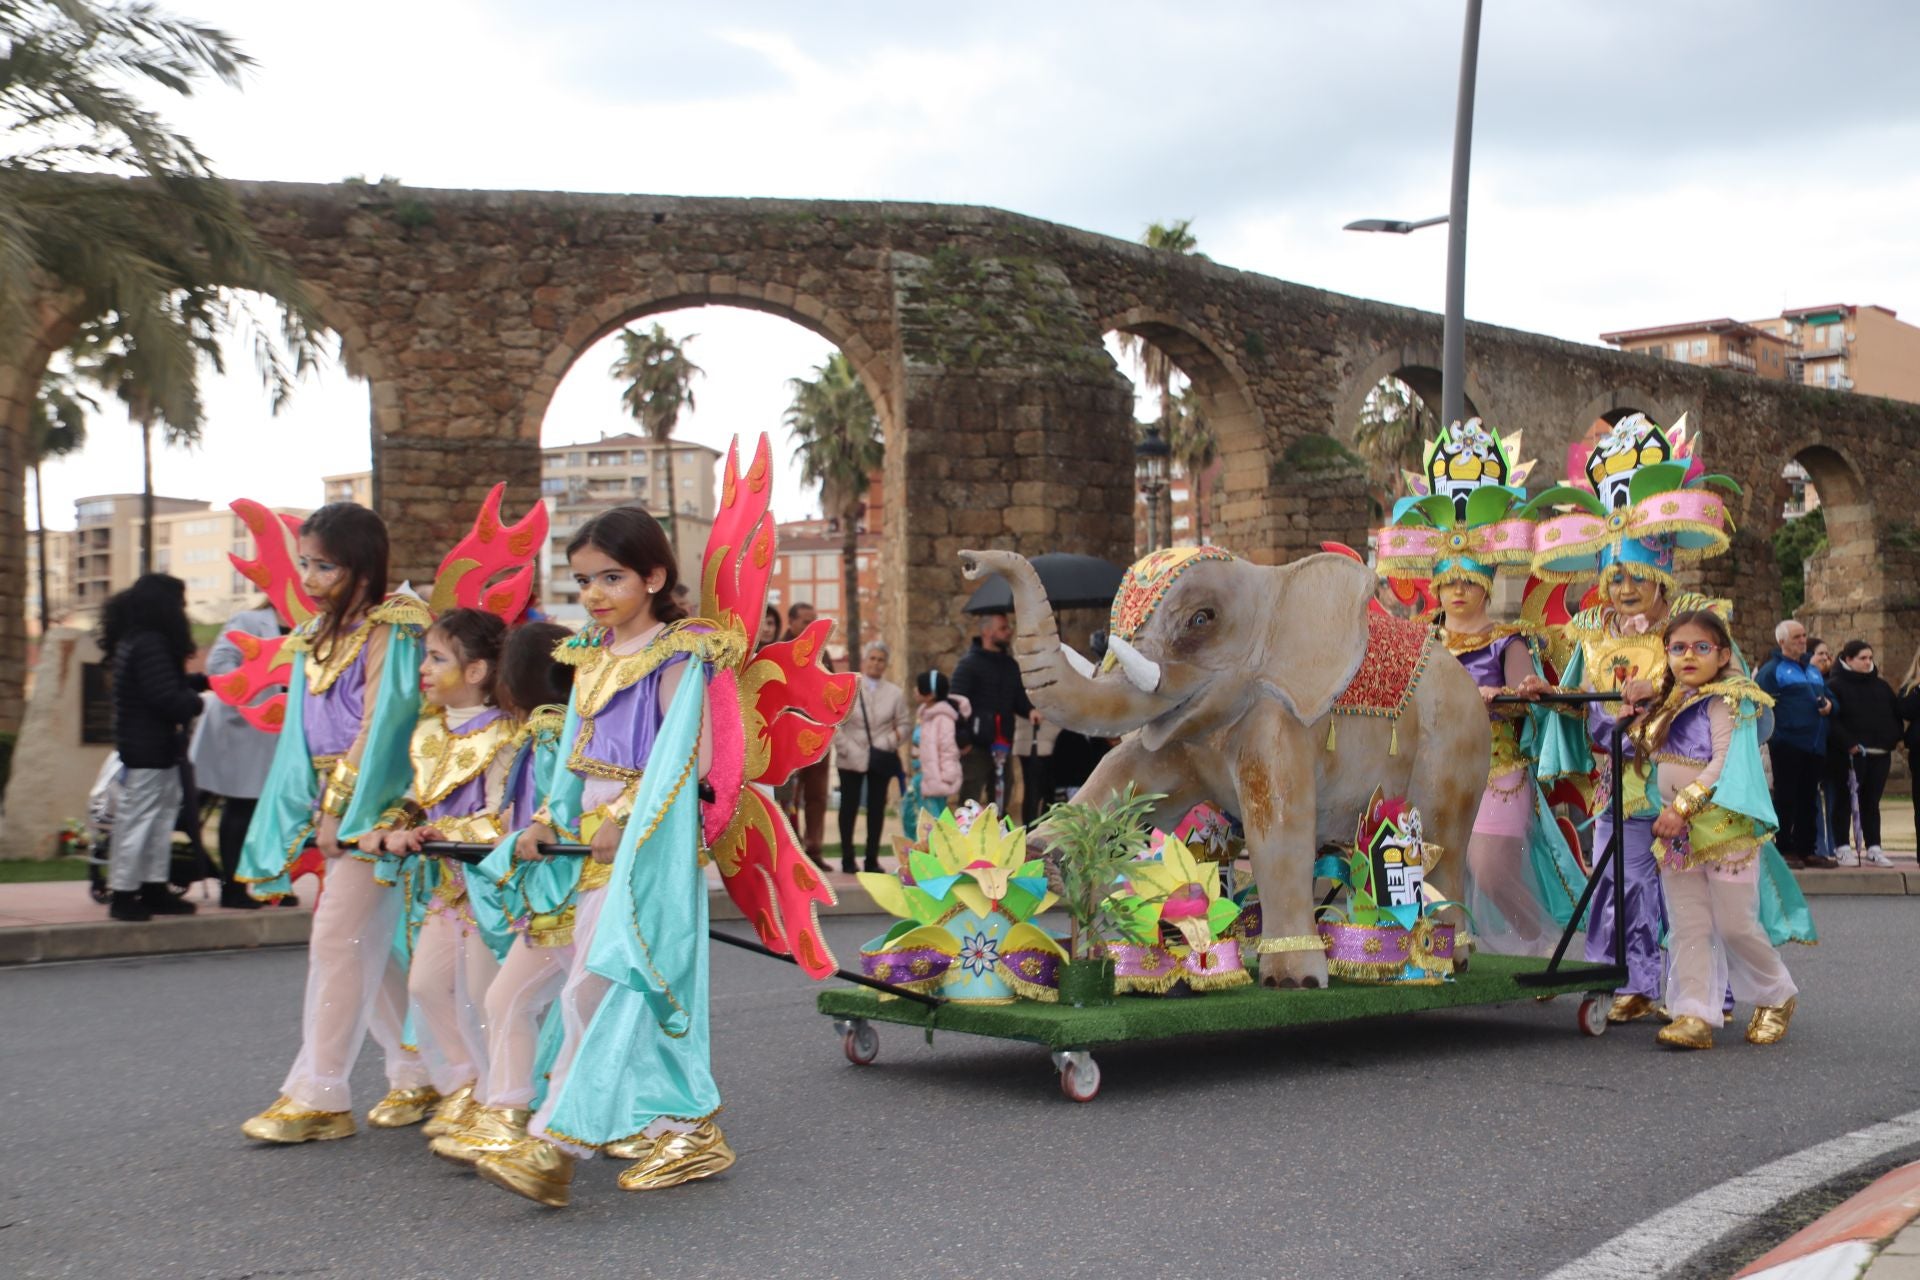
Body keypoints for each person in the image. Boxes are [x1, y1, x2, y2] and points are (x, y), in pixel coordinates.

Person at [476, 506, 741, 1208]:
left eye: (611, 577)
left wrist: (626, 818)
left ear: (654, 576)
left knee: (595, 986)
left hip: (650, 846)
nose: (594, 594)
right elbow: (570, 758)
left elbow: (690, 753)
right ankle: (680, 1129)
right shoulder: (591, 656)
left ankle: (555, 1145)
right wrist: (541, 819)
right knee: (625, 990)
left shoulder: (678, 651)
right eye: (583, 580)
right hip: (592, 848)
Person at [1532, 412, 1815, 1021]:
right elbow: (1576, 700)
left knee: (1713, 904)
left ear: (1662, 571)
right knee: (1622, 885)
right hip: (1621, 787)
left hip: (1696, 792)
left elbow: (1740, 704)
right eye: (1615, 577)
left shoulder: (1697, 626)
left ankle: (1729, 994)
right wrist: (1544, 691)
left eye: (1637, 575)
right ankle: (1631, 982)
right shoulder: (1592, 633)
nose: (1625, 588)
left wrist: (1663, 685)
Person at [238, 502, 434, 1144]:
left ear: (362, 565)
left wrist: (338, 811)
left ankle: (319, 1095)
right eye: (305, 564)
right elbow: (299, 735)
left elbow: (385, 726)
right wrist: (295, 812)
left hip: (381, 804)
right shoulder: (317, 632)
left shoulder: (395, 628)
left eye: (325, 565)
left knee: (337, 940)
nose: (311, 577)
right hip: (336, 798)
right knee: (373, 949)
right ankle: (424, 1070)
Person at [1374, 420, 1583, 955]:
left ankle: (1538, 943)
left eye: (1468, 582)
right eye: (1448, 584)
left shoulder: (1507, 641)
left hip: (1498, 770)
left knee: (1489, 868)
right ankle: (1450, 950)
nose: (1458, 592)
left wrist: (1498, 697)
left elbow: (1523, 699)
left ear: (1486, 585)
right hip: (1434, 769)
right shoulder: (1421, 640)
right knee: (1438, 873)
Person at [361, 607, 518, 1147]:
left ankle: (503, 1096)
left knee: (482, 993)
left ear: (476, 671)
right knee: (425, 986)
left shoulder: (506, 735)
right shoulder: (428, 729)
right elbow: (416, 799)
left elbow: (501, 816)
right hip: (445, 887)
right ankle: (466, 1081)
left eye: (436, 658)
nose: (423, 669)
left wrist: (437, 832)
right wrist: (395, 823)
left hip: (487, 889)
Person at [433, 619, 577, 1166]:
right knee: (511, 999)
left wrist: (519, 838)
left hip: (563, 899)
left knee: (515, 1000)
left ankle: (522, 1120)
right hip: (554, 898)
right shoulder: (551, 731)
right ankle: (513, 1113)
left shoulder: (550, 733)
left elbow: (551, 812)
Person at [1631, 610, 1798, 1050]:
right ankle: (1694, 1014)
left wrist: (1683, 807)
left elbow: (1725, 762)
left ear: (1723, 654)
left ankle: (1777, 995)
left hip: (1723, 828)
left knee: (1734, 923)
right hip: (1676, 830)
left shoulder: (1729, 698)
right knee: (1688, 925)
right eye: (1678, 648)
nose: (1688, 656)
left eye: (1701, 647)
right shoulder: (1674, 700)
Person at [100, 573, 209, 923]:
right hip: (149, 746)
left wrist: (194, 683)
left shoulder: (139, 640)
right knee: (141, 820)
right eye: (179, 601)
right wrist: (195, 700)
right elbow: (165, 698)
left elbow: (159, 685)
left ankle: (151, 887)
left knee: (157, 819)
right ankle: (125, 892)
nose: (184, 609)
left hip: (151, 745)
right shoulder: (151, 643)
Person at [190, 599, 286, 910]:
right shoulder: (248, 619)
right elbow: (219, 663)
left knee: (281, 811)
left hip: (289, 731)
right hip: (246, 726)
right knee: (242, 806)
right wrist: (255, 688)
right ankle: (233, 886)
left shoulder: (315, 625)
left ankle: (273, 885)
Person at [1756, 619, 1834, 869]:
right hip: (1788, 744)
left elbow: (1831, 698)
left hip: (1814, 745)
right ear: (1782, 642)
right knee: (1786, 797)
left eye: (1803, 635)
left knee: (1808, 798)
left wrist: (1831, 706)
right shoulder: (1772, 670)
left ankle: (1807, 849)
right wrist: (1777, 736)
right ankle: (1785, 848)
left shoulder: (1812, 669)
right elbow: (1760, 706)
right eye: (1797, 636)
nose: (1803, 640)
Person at [834, 641, 911, 873]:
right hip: (850, 756)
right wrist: (846, 748)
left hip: (880, 757)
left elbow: (905, 724)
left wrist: (886, 743)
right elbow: (834, 722)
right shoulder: (848, 689)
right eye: (872, 658)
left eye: (881, 660)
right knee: (848, 807)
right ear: (864, 661)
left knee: (876, 809)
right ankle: (847, 858)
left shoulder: (895, 693)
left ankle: (871, 859)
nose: (876, 663)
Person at [1824, 639, 1900, 867]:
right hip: (1849, 755)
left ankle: (1874, 847)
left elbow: (1894, 716)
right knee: (1844, 801)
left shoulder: (1882, 686)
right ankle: (1842, 847)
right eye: (1862, 658)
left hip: (1879, 754)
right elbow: (1833, 721)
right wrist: (1849, 743)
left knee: (1871, 802)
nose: (1868, 663)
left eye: (1870, 658)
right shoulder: (1835, 685)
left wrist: (1891, 740)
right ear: (1848, 660)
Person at [951, 610, 1035, 810]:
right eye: (1003, 628)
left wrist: (1031, 711)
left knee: (1001, 796)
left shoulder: (1010, 665)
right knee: (969, 799)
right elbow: (955, 704)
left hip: (1003, 744)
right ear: (987, 632)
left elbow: (1018, 699)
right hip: (976, 746)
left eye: (1008, 627)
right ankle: (964, 839)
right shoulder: (968, 665)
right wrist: (964, 741)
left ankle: (997, 839)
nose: (1009, 631)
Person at [777, 601, 832, 868]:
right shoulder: (781, 651)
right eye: (805, 621)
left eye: (815, 620)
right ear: (791, 623)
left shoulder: (823, 652)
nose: (811, 626)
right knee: (789, 797)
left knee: (818, 795)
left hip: (821, 735)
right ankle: (792, 852)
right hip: (791, 737)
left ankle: (815, 849)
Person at [908, 669, 968, 838]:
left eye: (918, 688)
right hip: (921, 778)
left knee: (933, 825)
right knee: (913, 817)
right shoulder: (925, 715)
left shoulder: (943, 718)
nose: (914, 690)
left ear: (930, 695)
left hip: (935, 780)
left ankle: (936, 858)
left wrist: (947, 777)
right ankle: (918, 855)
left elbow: (948, 750)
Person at [1012, 709, 1061, 828]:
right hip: (1033, 740)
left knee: (1048, 792)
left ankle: (1044, 830)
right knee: (1033, 793)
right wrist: (1029, 710)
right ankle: (1031, 831)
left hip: (1053, 738)